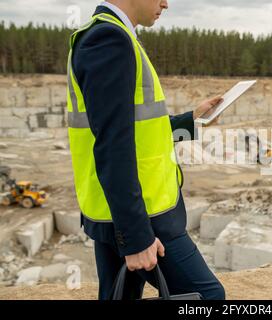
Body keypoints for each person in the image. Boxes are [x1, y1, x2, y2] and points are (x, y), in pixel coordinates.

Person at [67, 0, 225, 300]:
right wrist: (136, 238)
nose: (166, 3)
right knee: (209, 297)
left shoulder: (112, 36)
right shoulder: (109, 40)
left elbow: (136, 128)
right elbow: (114, 144)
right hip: (142, 216)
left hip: (116, 211)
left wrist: (190, 120)